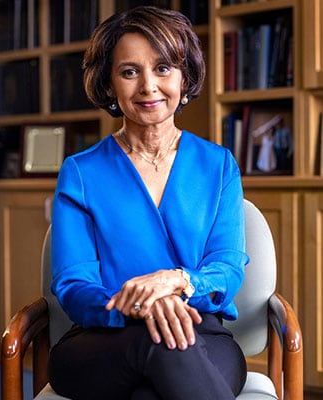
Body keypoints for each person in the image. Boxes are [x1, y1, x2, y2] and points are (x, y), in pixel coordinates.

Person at [49, 6, 249, 400]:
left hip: (201, 331)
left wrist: (178, 280)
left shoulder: (218, 165)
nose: (148, 86)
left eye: (162, 68)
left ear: (184, 77)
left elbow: (226, 269)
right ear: (109, 84)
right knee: (159, 345)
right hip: (103, 338)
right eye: (129, 71)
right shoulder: (81, 172)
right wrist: (139, 306)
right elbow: (73, 285)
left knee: (156, 382)